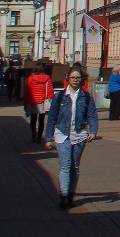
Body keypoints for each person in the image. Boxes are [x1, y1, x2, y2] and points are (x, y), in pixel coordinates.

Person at [46, 63, 97, 209]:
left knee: (74, 167)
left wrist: (93, 131)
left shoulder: (86, 97)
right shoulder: (60, 96)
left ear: (82, 79)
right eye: (72, 77)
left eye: (78, 78)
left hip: (79, 135)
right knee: (65, 166)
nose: (75, 80)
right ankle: (63, 196)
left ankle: (71, 194)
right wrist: (49, 138)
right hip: (62, 135)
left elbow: (92, 115)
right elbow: (52, 117)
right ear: (67, 79)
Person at [25, 61, 54, 144]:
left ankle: (33, 134)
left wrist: (25, 103)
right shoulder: (47, 78)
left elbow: (27, 91)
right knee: (41, 120)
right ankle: (39, 137)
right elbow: (50, 91)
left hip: (32, 101)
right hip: (43, 102)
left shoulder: (30, 78)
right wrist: (49, 99)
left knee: (33, 120)